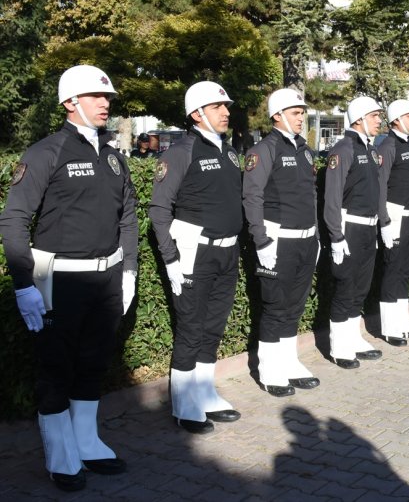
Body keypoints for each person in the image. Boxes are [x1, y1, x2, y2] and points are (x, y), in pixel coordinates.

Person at [0, 65, 137, 491]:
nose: (105, 103)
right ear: (70, 103)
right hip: (59, 280)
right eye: (96, 97)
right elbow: (14, 218)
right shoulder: (45, 153)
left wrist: (129, 267)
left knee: (94, 363)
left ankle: (87, 441)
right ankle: (61, 455)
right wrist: (23, 283)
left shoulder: (114, 156)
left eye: (108, 97)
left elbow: (128, 214)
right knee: (57, 368)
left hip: (107, 278)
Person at [149, 81, 242, 434]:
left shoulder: (230, 152)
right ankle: (184, 404)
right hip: (193, 254)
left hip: (227, 252)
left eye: (225, 105)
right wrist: (171, 260)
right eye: (218, 106)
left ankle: (204, 393)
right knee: (190, 329)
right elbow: (159, 210)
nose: (226, 112)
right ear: (196, 113)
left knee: (213, 327)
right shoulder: (180, 153)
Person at [242, 88, 319, 397]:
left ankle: (289, 362)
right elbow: (252, 196)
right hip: (277, 241)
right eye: (295, 113)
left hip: (305, 239)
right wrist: (261, 241)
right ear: (277, 115)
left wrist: (317, 237)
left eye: (302, 113)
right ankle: (270, 369)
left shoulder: (305, 150)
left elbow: (311, 195)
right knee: (275, 306)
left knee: (294, 306)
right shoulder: (264, 150)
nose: (301, 118)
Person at [323, 97, 384, 368]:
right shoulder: (343, 149)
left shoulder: (371, 150)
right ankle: (339, 346)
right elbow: (332, 197)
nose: (379, 121)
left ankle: (353, 337)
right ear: (359, 118)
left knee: (360, 287)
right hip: (350, 227)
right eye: (374, 116)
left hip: (368, 227)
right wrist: (336, 235)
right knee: (345, 286)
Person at [376, 99, 409, 346]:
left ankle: (402, 318)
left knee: (406, 271)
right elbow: (380, 185)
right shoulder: (388, 146)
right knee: (394, 271)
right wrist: (384, 221)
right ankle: (389, 326)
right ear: (396, 119)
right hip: (397, 218)